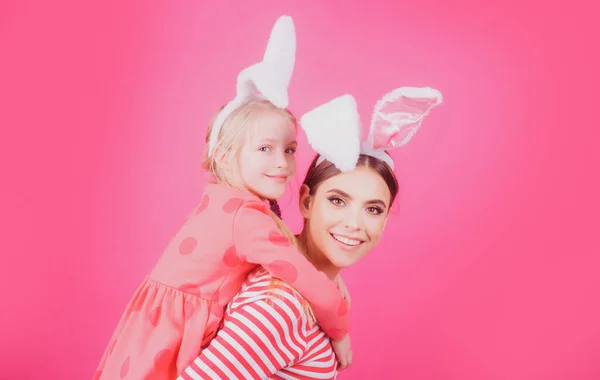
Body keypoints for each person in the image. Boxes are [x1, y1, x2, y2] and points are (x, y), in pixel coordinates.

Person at [94, 16, 350, 380]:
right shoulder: (245, 218)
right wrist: (340, 330)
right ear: (226, 156)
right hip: (173, 338)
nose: (282, 163)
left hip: (148, 332)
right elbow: (302, 276)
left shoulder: (219, 199)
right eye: (265, 148)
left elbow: (285, 257)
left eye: (290, 149)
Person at [178, 86, 443, 379]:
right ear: (306, 201)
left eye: (373, 209)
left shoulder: (311, 288)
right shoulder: (280, 309)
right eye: (337, 201)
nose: (354, 223)